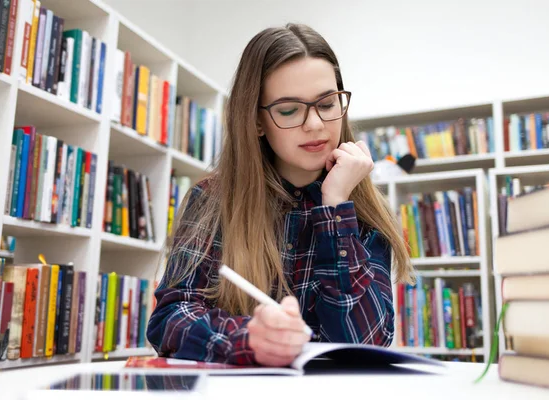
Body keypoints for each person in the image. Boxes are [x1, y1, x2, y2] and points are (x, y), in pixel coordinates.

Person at [147, 23, 414, 367]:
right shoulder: (212, 200)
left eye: (328, 104)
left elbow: (366, 343)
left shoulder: (363, 211)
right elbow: (169, 319)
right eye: (289, 110)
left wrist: (335, 208)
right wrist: (248, 339)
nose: (316, 124)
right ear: (256, 121)